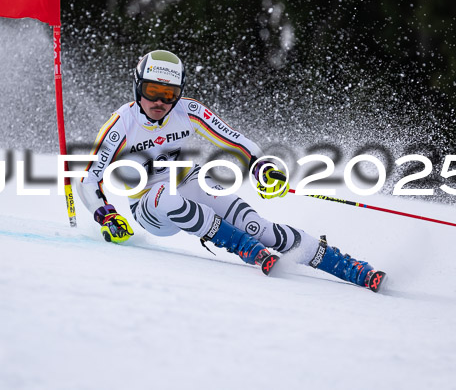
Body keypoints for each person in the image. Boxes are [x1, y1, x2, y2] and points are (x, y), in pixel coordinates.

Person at [76, 50, 385, 292]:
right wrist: (106, 214)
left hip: (189, 180)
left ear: (178, 93)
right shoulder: (121, 125)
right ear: (137, 87)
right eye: (151, 90)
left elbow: (236, 141)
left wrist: (261, 167)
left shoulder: (189, 110)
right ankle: (244, 249)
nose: (159, 101)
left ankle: (349, 267)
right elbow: (89, 178)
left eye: (168, 94)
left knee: (258, 227)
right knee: (164, 194)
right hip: (150, 206)